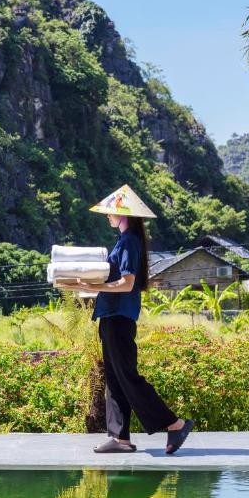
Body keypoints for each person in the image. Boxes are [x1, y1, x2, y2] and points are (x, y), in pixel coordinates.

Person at [57, 185, 193, 454]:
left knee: (127, 376)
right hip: (110, 315)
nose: (107, 216)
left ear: (123, 215)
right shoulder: (124, 241)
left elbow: (126, 283)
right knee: (115, 378)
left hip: (119, 317)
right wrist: (85, 284)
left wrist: (96, 287)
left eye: (111, 212)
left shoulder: (130, 241)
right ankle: (120, 438)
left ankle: (174, 424)